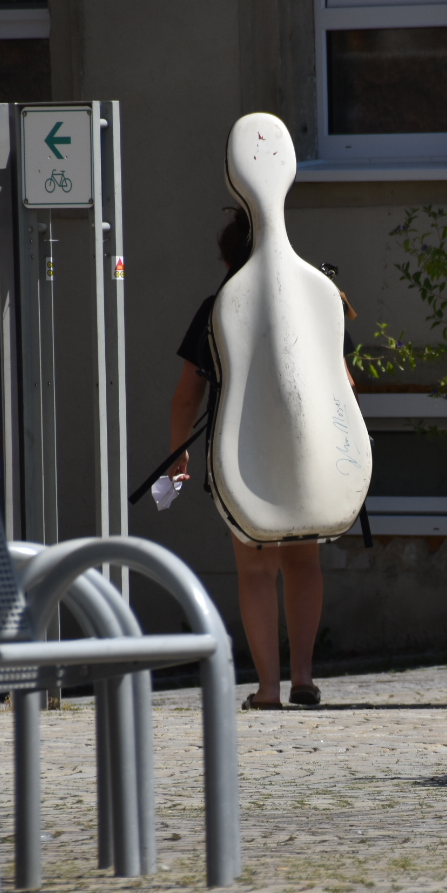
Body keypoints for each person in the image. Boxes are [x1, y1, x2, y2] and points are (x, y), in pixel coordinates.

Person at [167, 206, 325, 711]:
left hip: (241, 452)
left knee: (256, 570)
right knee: (303, 562)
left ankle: (269, 689)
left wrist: (178, 456)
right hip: (304, 448)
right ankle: (303, 676)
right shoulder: (312, 301)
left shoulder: (217, 309)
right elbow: (342, 387)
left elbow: (187, 396)